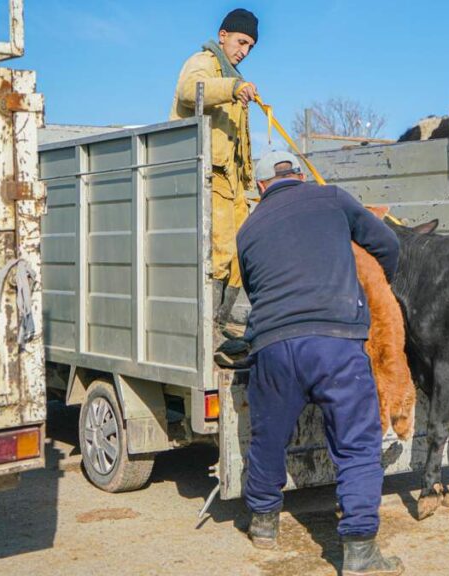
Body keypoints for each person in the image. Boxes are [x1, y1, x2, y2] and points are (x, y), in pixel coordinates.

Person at [237, 150, 405, 576]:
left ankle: (263, 523)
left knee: (268, 436)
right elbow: (388, 244)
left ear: (260, 187)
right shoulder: (332, 198)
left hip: (273, 345)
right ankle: (361, 551)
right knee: (357, 444)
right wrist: (374, 285)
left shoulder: (249, 228)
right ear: (299, 175)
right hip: (336, 343)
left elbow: (255, 289)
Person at [170, 8, 260, 356]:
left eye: (250, 46)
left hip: (233, 183)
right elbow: (188, 91)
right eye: (241, 41)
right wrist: (233, 88)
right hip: (209, 176)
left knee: (240, 256)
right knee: (220, 253)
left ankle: (222, 325)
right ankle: (208, 331)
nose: (244, 51)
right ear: (223, 36)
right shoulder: (204, 63)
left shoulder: (233, 77)